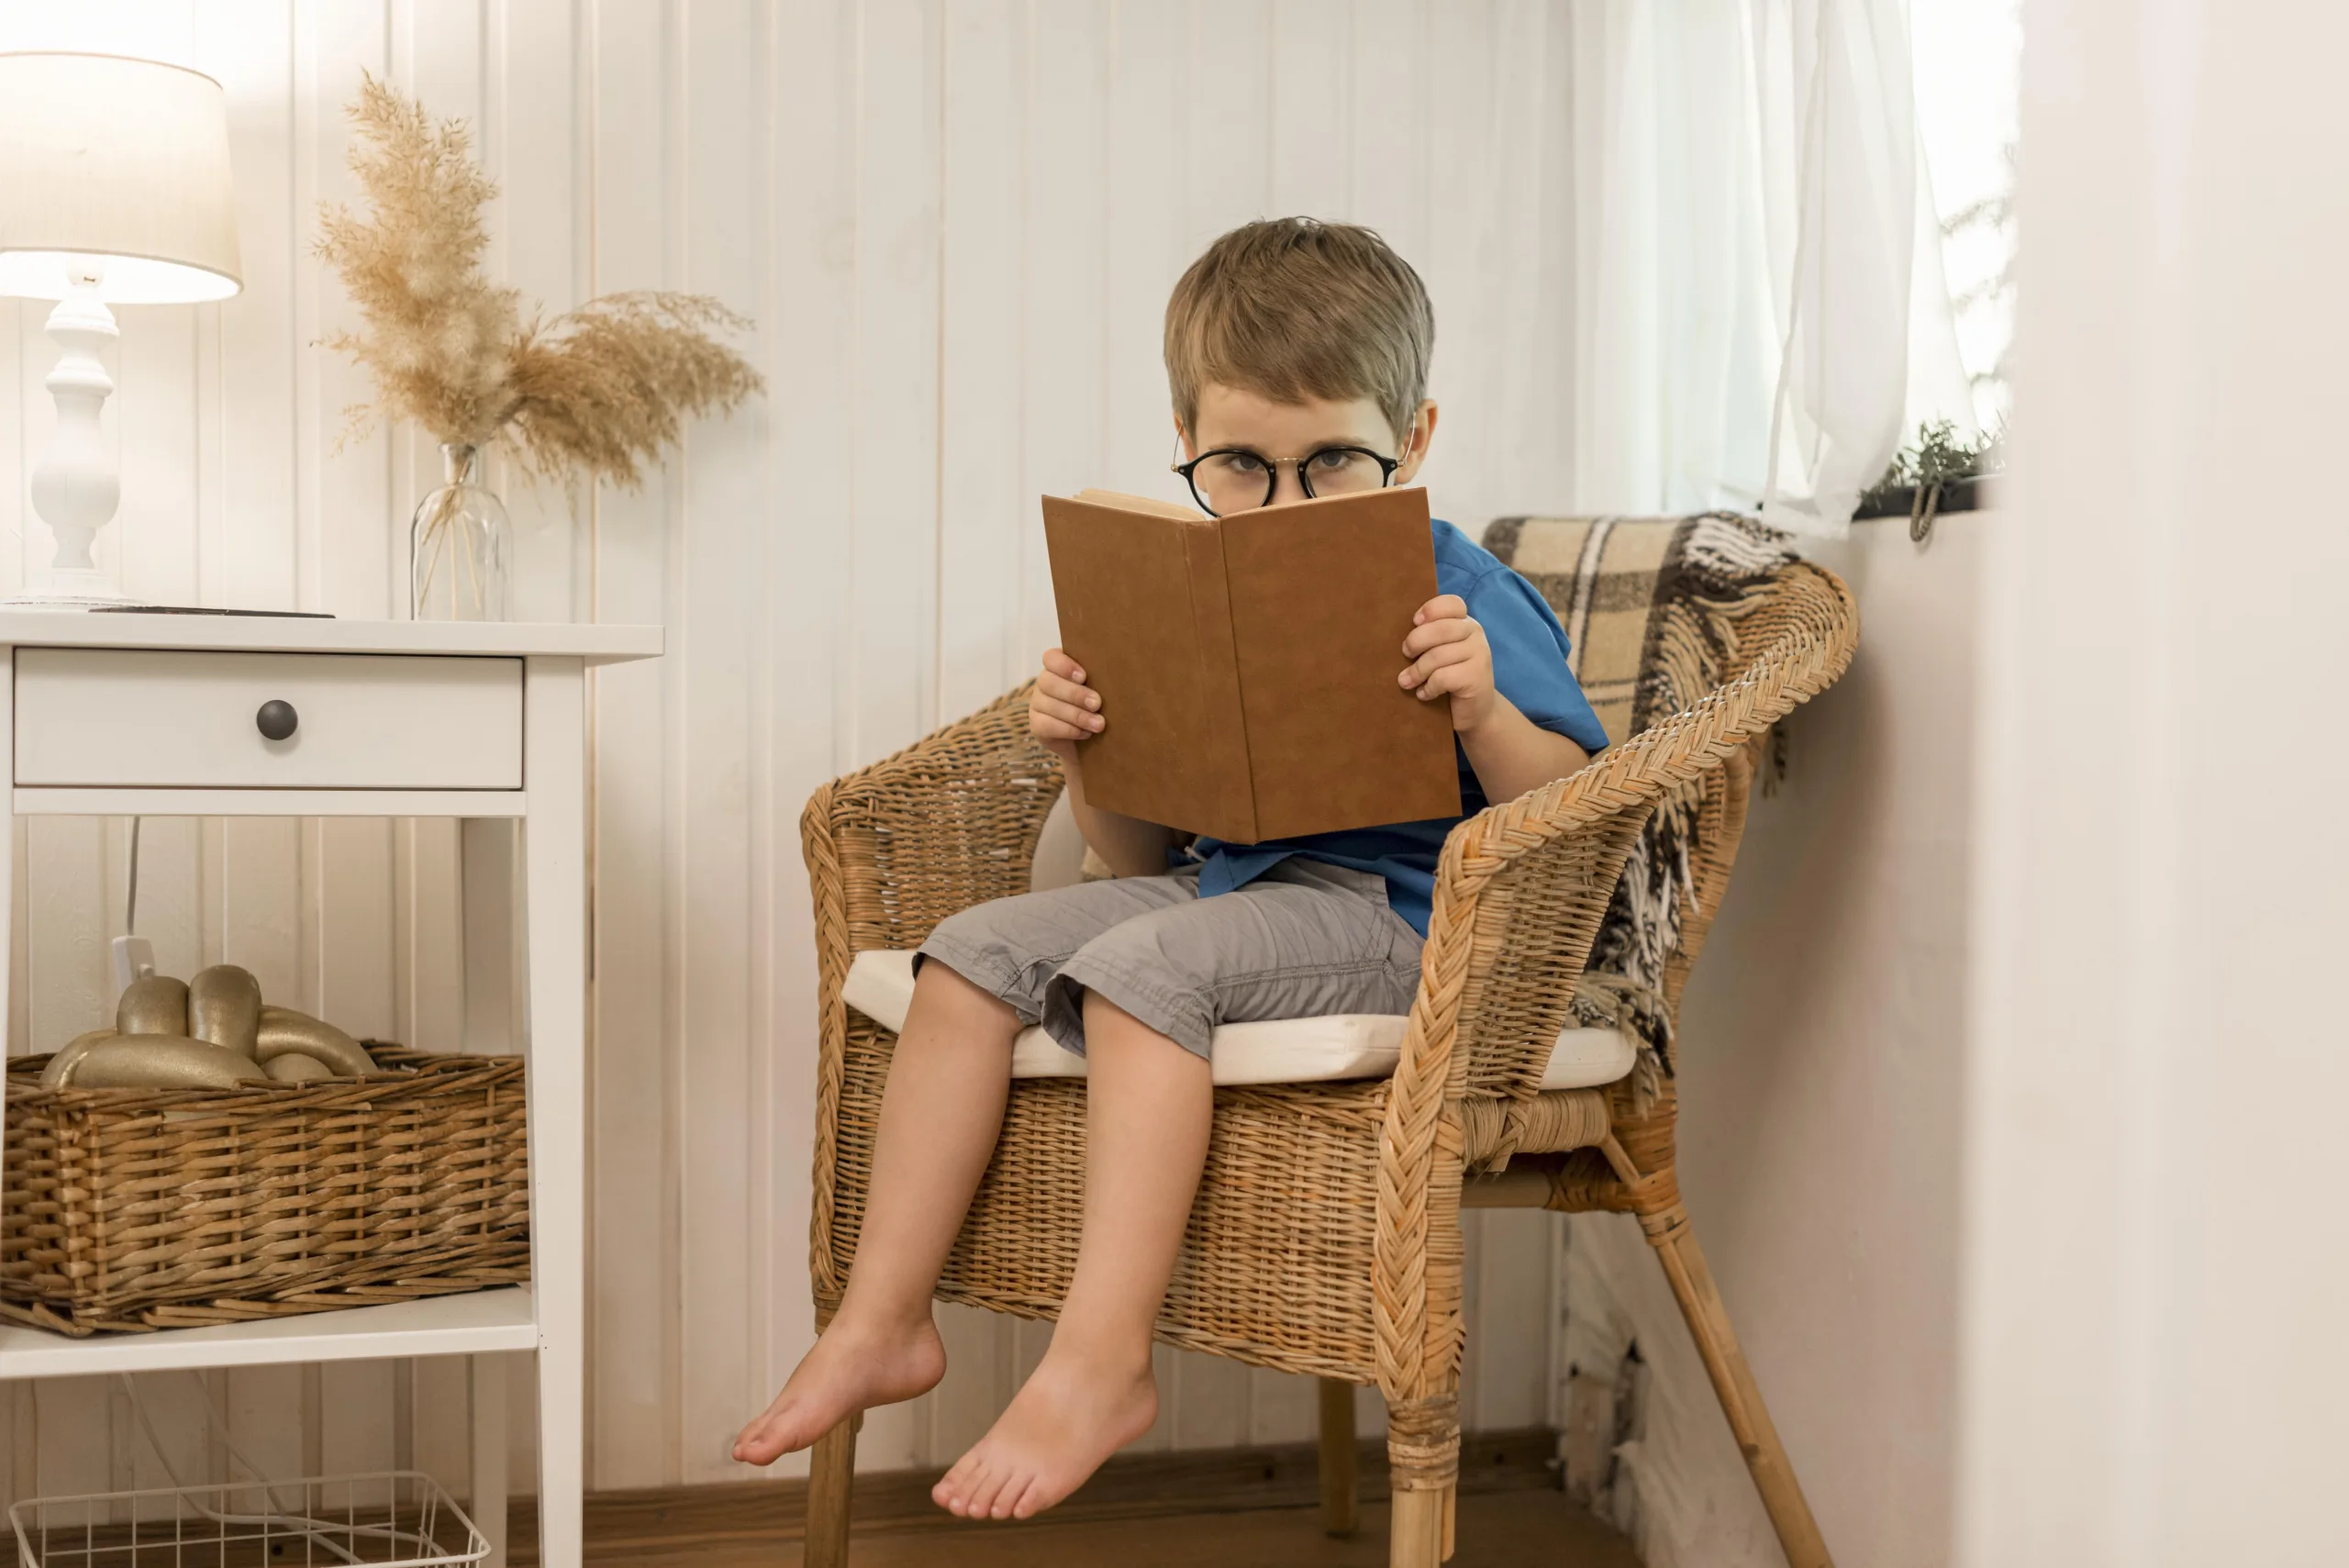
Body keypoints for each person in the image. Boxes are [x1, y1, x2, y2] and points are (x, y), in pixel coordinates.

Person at [732, 218, 1609, 1521]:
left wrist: (1482, 711)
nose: (1284, 502)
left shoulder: (1460, 590)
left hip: (1398, 918)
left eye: (1333, 464)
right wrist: (1087, 754)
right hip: (1225, 893)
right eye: (1240, 466)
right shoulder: (1189, 586)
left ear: (1414, 439)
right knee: (970, 955)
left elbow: (1579, 813)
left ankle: (1100, 1363)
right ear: (1187, 440)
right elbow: (1138, 855)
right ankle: (882, 1319)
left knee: (1142, 971)